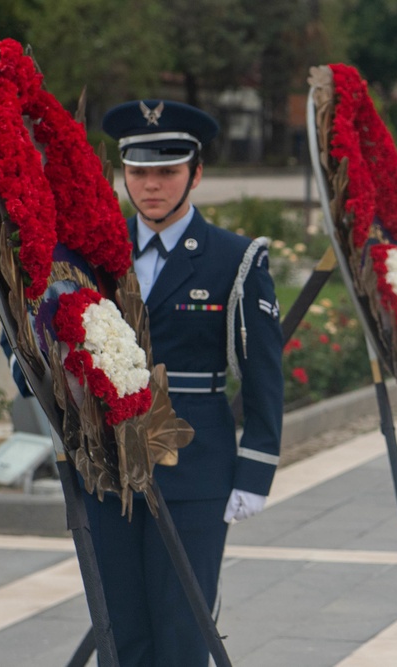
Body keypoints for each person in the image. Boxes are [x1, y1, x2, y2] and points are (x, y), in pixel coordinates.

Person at [98, 100, 284, 666]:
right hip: (107, 465)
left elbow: (263, 375)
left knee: (184, 629)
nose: (151, 185)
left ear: (196, 173)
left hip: (196, 467)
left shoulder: (234, 258)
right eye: (138, 171)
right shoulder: (96, 255)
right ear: (123, 172)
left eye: (167, 170)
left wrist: (255, 468)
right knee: (120, 631)